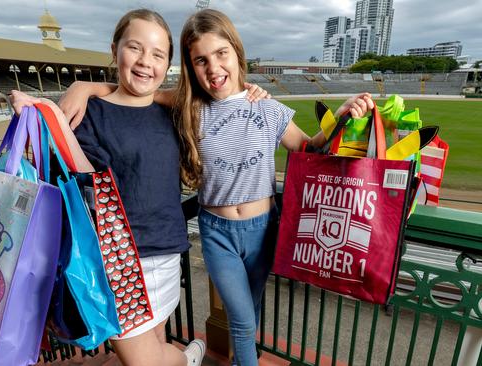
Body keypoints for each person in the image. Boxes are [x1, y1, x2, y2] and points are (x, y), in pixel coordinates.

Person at [58, 10, 374, 366]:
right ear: (192, 68)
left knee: (249, 313)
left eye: (221, 53)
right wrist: (82, 86)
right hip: (216, 231)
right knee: (240, 319)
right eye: (200, 60)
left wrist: (344, 115)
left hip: (262, 230)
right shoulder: (189, 106)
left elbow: (308, 149)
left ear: (236, 53)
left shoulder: (267, 107)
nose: (213, 68)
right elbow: (135, 92)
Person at [10, 9, 208, 366]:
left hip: (165, 256)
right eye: (135, 48)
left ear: (167, 64)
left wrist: (85, 85)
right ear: (114, 49)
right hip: (116, 263)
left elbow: (206, 96)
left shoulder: (172, 111)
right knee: (144, 361)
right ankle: (189, 358)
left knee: (154, 342)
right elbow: (87, 178)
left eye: (158, 54)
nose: (146, 61)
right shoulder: (92, 114)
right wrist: (46, 117)